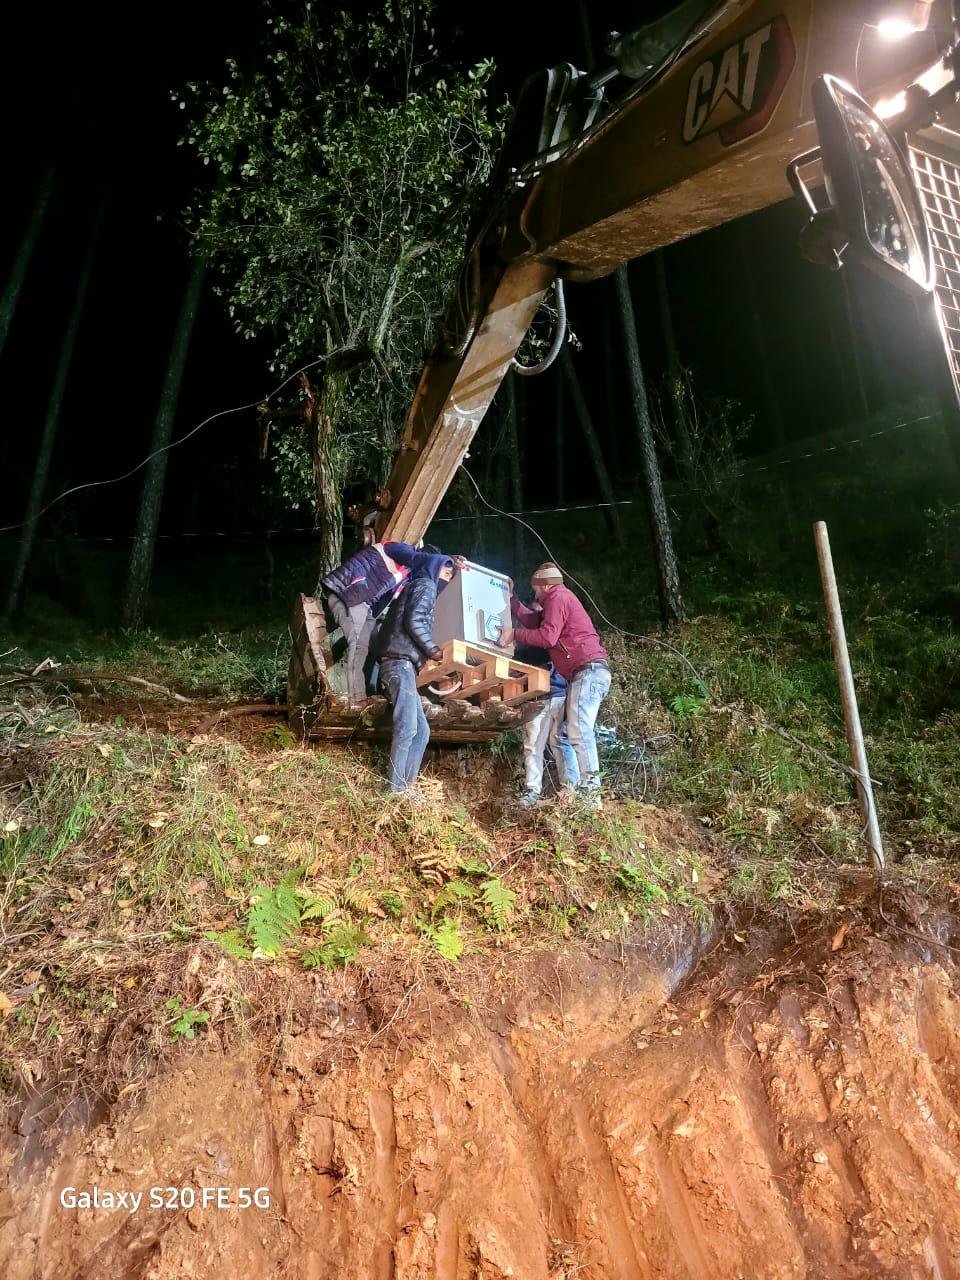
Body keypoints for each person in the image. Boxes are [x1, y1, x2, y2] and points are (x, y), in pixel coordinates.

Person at [500, 563, 610, 807]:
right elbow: (534, 620)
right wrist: (512, 600)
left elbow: (547, 636)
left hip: (588, 671)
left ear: (545, 585)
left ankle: (591, 795)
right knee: (562, 734)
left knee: (579, 731)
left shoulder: (558, 597)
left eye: (536, 590)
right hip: (584, 674)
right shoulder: (556, 601)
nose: (536, 595)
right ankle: (573, 791)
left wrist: (513, 635)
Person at [373, 553, 456, 797]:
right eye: (446, 572)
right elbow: (414, 620)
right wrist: (434, 650)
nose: (448, 578)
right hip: (398, 664)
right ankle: (395, 789)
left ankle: (406, 788)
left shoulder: (419, 586)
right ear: (435, 567)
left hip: (405, 665)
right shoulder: (425, 586)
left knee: (422, 732)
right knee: (408, 726)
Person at [319, 540, 418, 705]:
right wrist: (445, 559)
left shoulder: (405, 577)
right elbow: (419, 559)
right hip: (349, 593)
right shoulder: (401, 549)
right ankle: (356, 699)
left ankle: (367, 693)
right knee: (358, 645)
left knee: (374, 648)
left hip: (365, 606)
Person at [517, 652, 579, 806]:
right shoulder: (522, 645)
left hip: (559, 695)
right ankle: (532, 791)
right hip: (535, 700)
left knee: (560, 741)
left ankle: (570, 790)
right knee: (532, 745)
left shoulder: (550, 638)